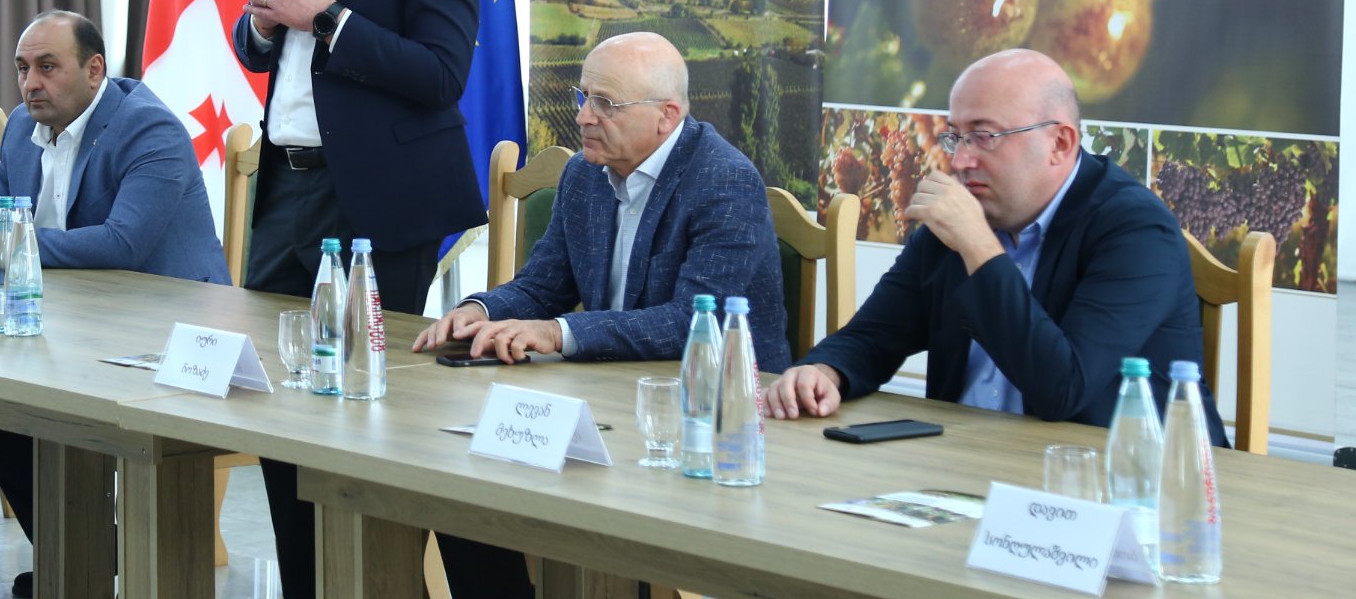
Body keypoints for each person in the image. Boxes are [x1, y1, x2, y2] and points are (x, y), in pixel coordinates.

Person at [230, 0, 488, 599]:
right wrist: (265, 25)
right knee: (277, 412)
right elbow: (270, 48)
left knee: (368, 425)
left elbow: (441, 73)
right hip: (285, 189)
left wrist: (327, 15)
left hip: (377, 202)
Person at [411, 31, 789, 599]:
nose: (584, 116)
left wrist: (557, 332)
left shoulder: (724, 180)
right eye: (582, 97)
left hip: (708, 420)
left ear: (667, 116)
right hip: (609, 400)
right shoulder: (585, 174)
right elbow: (544, 284)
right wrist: (478, 309)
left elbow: (691, 325)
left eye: (605, 103)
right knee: (459, 485)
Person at [761, 47, 1227, 447]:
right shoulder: (967, 218)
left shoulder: (1136, 230)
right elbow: (873, 336)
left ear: (1060, 143)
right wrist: (825, 371)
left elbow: (1063, 389)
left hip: (1120, 486)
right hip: (969, 464)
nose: (962, 160)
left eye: (984, 137)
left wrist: (979, 246)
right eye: (956, 137)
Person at [0, 10, 227, 598]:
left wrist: (6, 235)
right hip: (74, 325)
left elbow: (123, 244)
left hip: (169, 332)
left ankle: (85, 554)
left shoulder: (149, 129)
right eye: (23, 68)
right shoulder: (21, 129)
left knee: (45, 402)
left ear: (95, 70)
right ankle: (78, 551)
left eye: (48, 67)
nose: (31, 83)